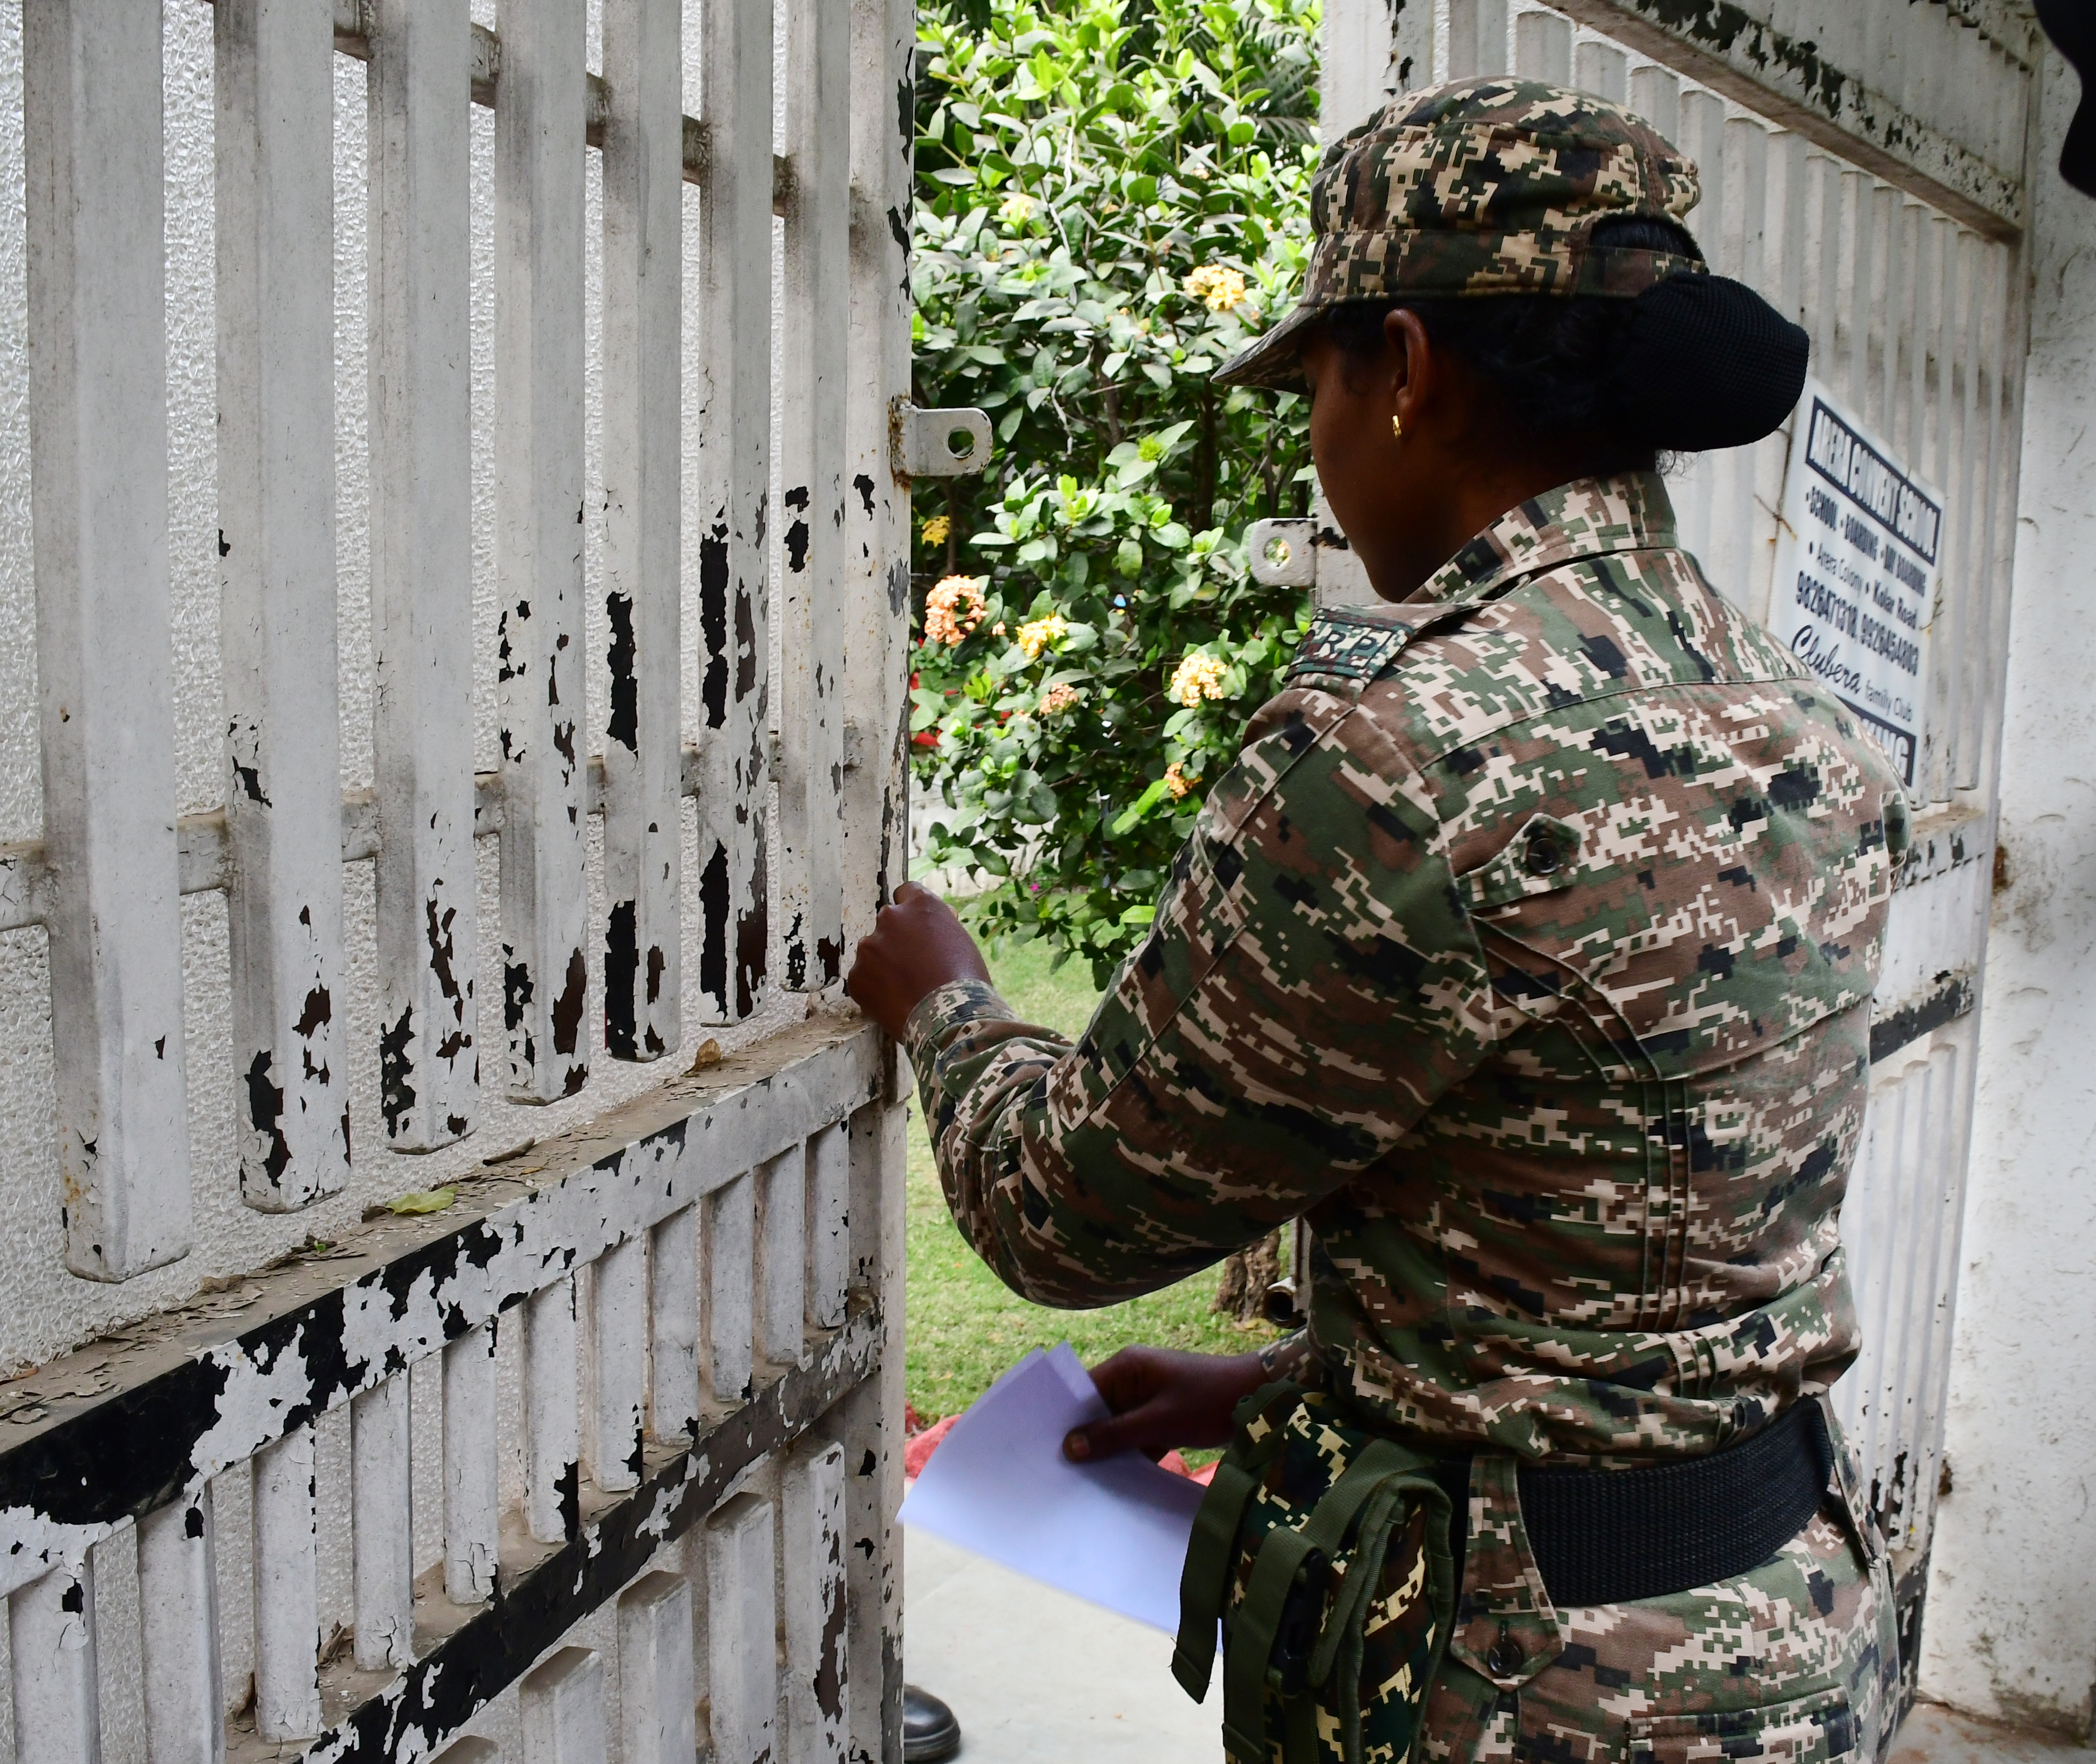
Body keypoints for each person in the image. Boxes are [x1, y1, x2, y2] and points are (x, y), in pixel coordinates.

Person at [851, 77, 1909, 1764]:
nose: (1322, 444)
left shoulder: (1405, 745)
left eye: (1320, 389)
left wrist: (950, 1003)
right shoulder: (1789, 714)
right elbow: (1623, 1228)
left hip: (1536, 1698)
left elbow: (1063, 1210)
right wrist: (1287, 1383)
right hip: (1793, 1626)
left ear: (1404, 372)